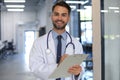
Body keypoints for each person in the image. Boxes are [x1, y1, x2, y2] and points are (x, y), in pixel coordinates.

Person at [29, 1, 83, 80]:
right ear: (52, 16)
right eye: (56, 14)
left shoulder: (76, 44)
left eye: (63, 15)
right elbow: (34, 68)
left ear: (68, 18)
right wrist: (58, 67)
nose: (59, 18)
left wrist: (78, 72)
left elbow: (81, 68)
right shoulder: (39, 43)